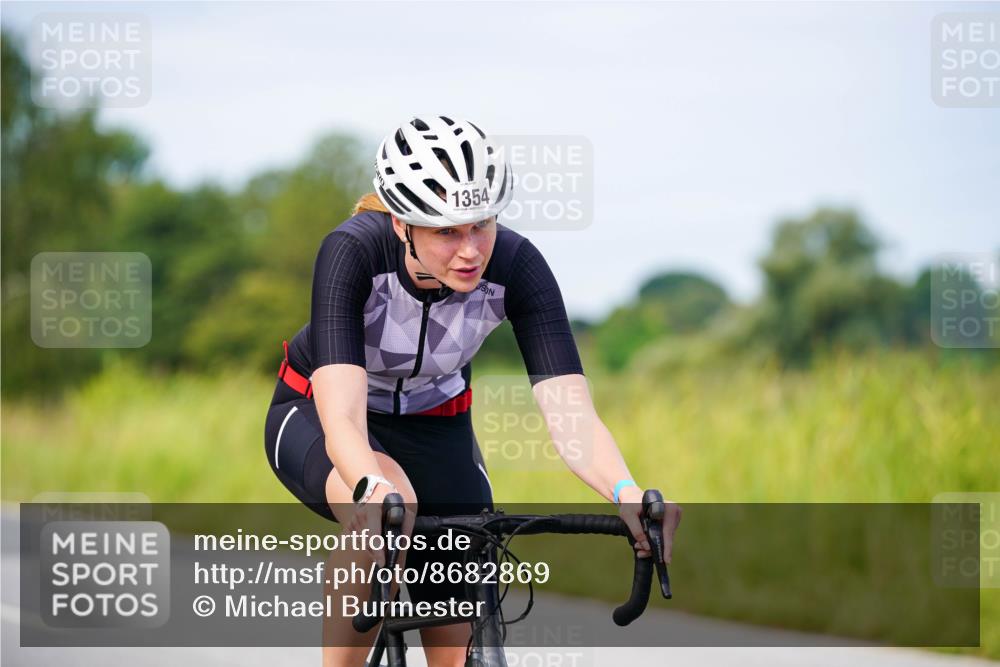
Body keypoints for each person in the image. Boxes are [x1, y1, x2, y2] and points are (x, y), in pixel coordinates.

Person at [263, 115, 681, 667]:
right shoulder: (352, 252)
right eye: (446, 231)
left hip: (437, 426)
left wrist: (627, 492)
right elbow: (342, 414)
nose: (470, 251)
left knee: (463, 606)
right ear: (400, 224)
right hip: (320, 414)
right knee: (390, 509)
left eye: (481, 224)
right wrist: (369, 486)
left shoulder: (518, 265)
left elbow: (571, 415)